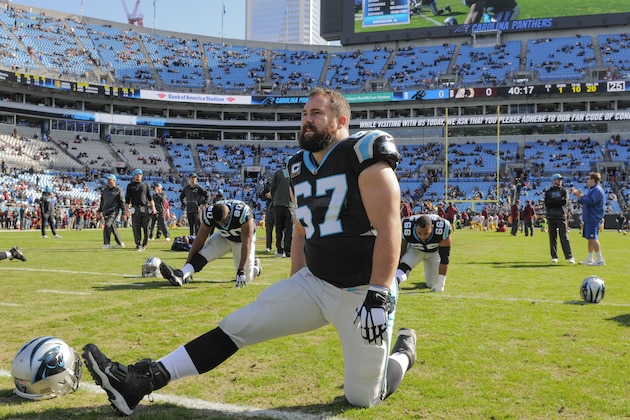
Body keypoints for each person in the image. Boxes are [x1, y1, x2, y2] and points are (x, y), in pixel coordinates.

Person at [83, 87, 416, 416]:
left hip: (362, 291)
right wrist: (297, 279)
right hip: (316, 283)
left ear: (341, 119)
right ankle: (141, 382)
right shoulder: (298, 166)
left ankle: (404, 352)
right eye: (303, 114)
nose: (306, 121)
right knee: (238, 325)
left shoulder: (364, 153)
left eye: (316, 113)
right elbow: (302, 228)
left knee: (363, 397)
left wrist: (378, 294)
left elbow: (390, 229)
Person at [159, 199, 262, 287]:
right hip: (224, 237)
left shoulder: (243, 212)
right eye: (219, 222)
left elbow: (246, 243)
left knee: (246, 278)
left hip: (242, 242)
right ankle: (181, 274)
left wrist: (241, 270)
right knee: (204, 253)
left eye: (224, 221)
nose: (222, 224)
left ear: (229, 213)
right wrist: (188, 263)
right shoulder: (210, 213)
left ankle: (256, 268)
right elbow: (200, 239)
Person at [395, 214, 452, 292]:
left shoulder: (442, 227)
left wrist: (441, 284)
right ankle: (395, 282)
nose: (422, 237)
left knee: (432, 284)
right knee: (404, 266)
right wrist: (397, 265)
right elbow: (400, 249)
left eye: (426, 233)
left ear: (432, 227)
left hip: (433, 252)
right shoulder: (406, 226)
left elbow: (444, 259)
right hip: (415, 250)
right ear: (415, 227)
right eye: (419, 233)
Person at [572, 172, 606, 266]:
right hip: (589, 217)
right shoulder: (592, 190)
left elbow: (591, 201)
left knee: (593, 237)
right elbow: (586, 201)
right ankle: (590, 258)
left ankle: (600, 259)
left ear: (593, 180)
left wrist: (580, 196)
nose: (587, 181)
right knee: (590, 238)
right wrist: (579, 196)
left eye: (589, 179)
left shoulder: (597, 190)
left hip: (593, 217)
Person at [543, 174, 574, 263]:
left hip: (561, 215)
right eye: (558, 179)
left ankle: (569, 256)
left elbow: (564, 202)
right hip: (551, 216)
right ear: (553, 181)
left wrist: (553, 201)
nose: (560, 181)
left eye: (560, 179)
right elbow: (547, 204)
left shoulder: (564, 191)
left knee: (564, 236)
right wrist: (557, 201)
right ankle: (554, 256)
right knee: (552, 237)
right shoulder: (548, 192)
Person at [125, 169, 157, 252]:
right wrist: (126, 211)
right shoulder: (130, 186)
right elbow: (127, 199)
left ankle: (145, 243)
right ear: (134, 175)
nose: (138, 175)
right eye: (137, 174)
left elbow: (150, 198)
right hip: (135, 208)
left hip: (145, 208)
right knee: (136, 227)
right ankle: (138, 244)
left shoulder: (145, 185)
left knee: (147, 227)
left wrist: (153, 208)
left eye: (140, 174)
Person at [269, 163, 294, 258]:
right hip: (290, 205)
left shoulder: (278, 173)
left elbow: (272, 188)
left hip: (278, 204)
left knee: (279, 229)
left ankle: (280, 250)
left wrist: (275, 199)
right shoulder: (295, 174)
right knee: (289, 230)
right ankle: (288, 251)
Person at [97, 174, 126, 249]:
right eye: (108, 179)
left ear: (114, 181)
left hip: (114, 211)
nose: (108, 181)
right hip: (105, 211)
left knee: (107, 225)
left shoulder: (118, 190)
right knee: (112, 226)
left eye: (110, 179)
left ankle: (107, 243)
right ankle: (120, 242)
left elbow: (122, 201)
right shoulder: (105, 190)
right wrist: (99, 210)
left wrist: (124, 212)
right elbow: (102, 201)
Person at [259, 179, 275, 253]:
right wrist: (267, 195)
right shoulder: (268, 186)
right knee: (268, 229)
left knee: (281, 229)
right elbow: (262, 197)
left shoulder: (282, 185)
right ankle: (268, 246)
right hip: (270, 210)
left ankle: (281, 246)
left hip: (279, 209)